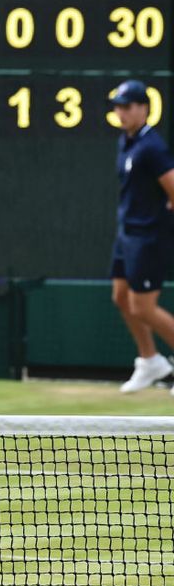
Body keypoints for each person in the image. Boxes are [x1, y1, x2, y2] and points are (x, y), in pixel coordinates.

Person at [108, 79, 174, 394]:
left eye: (127, 106)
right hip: (127, 234)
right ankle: (150, 360)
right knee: (121, 298)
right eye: (118, 107)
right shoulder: (126, 141)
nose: (121, 112)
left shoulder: (152, 147)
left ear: (143, 108)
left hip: (149, 237)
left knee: (143, 308)